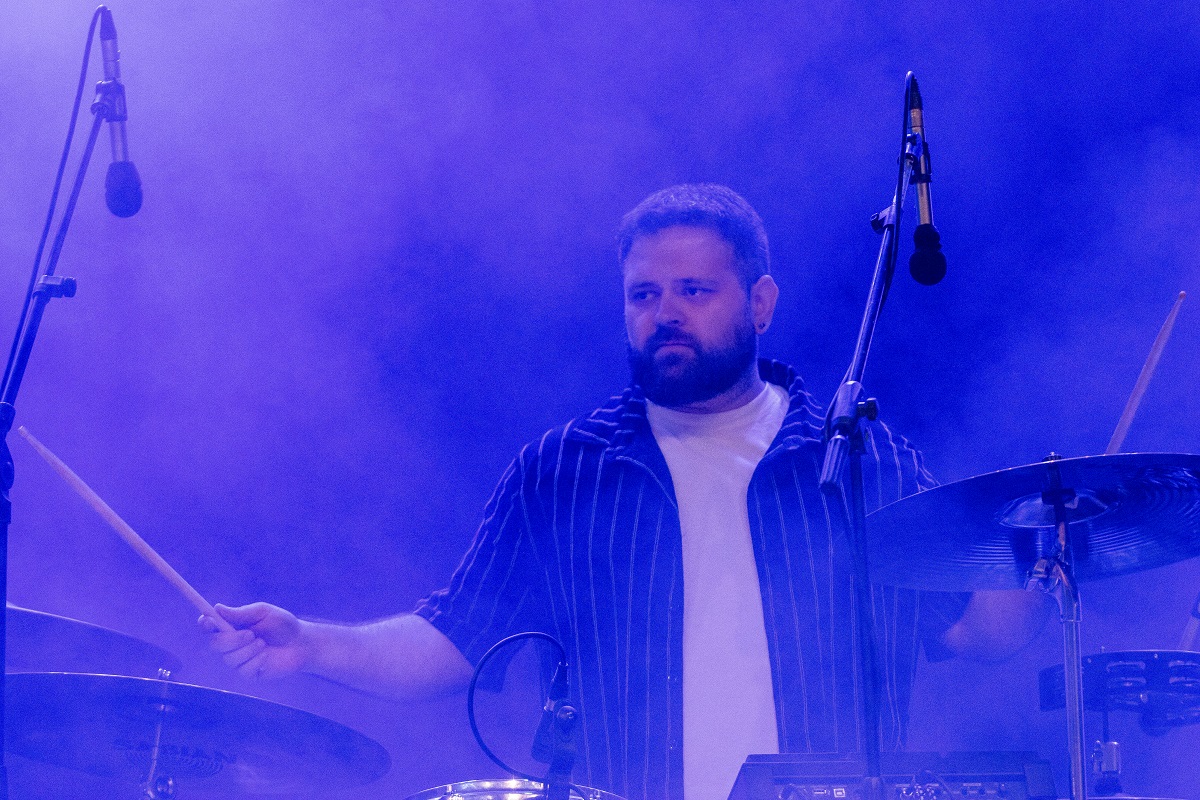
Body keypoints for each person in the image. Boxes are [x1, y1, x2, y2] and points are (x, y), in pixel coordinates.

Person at [205, 184, 1049, 800]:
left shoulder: (857, 458)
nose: (664, 312)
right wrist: (311, 643)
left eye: (694, 291)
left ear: (760, 303)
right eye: (645, 294)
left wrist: (1034, 544)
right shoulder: (564, 472)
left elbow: (979, 632)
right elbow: (451, 640)